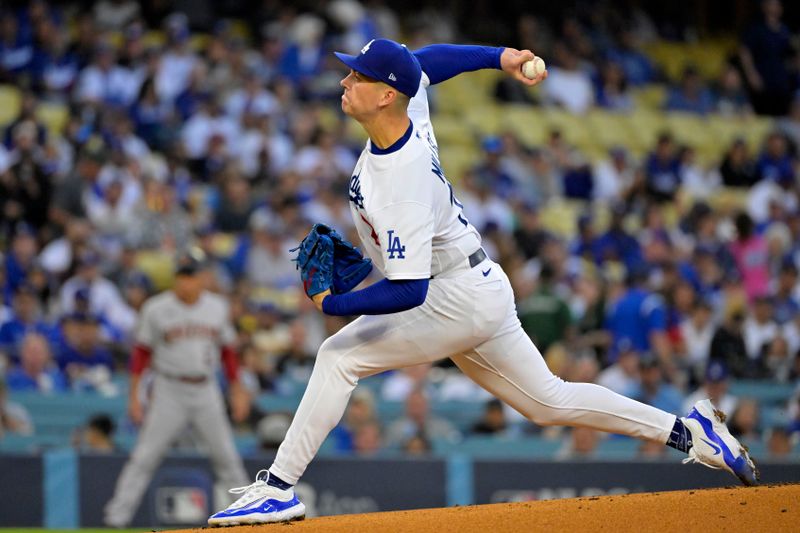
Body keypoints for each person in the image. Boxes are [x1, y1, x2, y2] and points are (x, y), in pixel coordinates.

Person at [208, 39, 758, 526]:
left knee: (338, 355)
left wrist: (337, 302)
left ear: (384, 97)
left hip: (452, 295)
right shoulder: (407, 110)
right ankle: (691, 434)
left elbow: (409, 292)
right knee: (548, 402)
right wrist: (503, 57)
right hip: (476, 284)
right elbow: (428, 63)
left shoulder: (399, 183)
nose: (345, 81)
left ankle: (279, 488)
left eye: (357, 75)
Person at [103, 250, 250, 528]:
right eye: (181, 277)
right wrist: (134, 396)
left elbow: (229, 353)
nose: (186, 283)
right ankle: (116, 519)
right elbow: (141, 355)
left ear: (201, 279)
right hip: (169, 390)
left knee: (228, 459)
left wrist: (237, 391)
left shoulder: (217, 306)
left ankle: (247, 520)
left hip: (206, 390)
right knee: (144, 457)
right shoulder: (156, 308)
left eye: (191, 276)